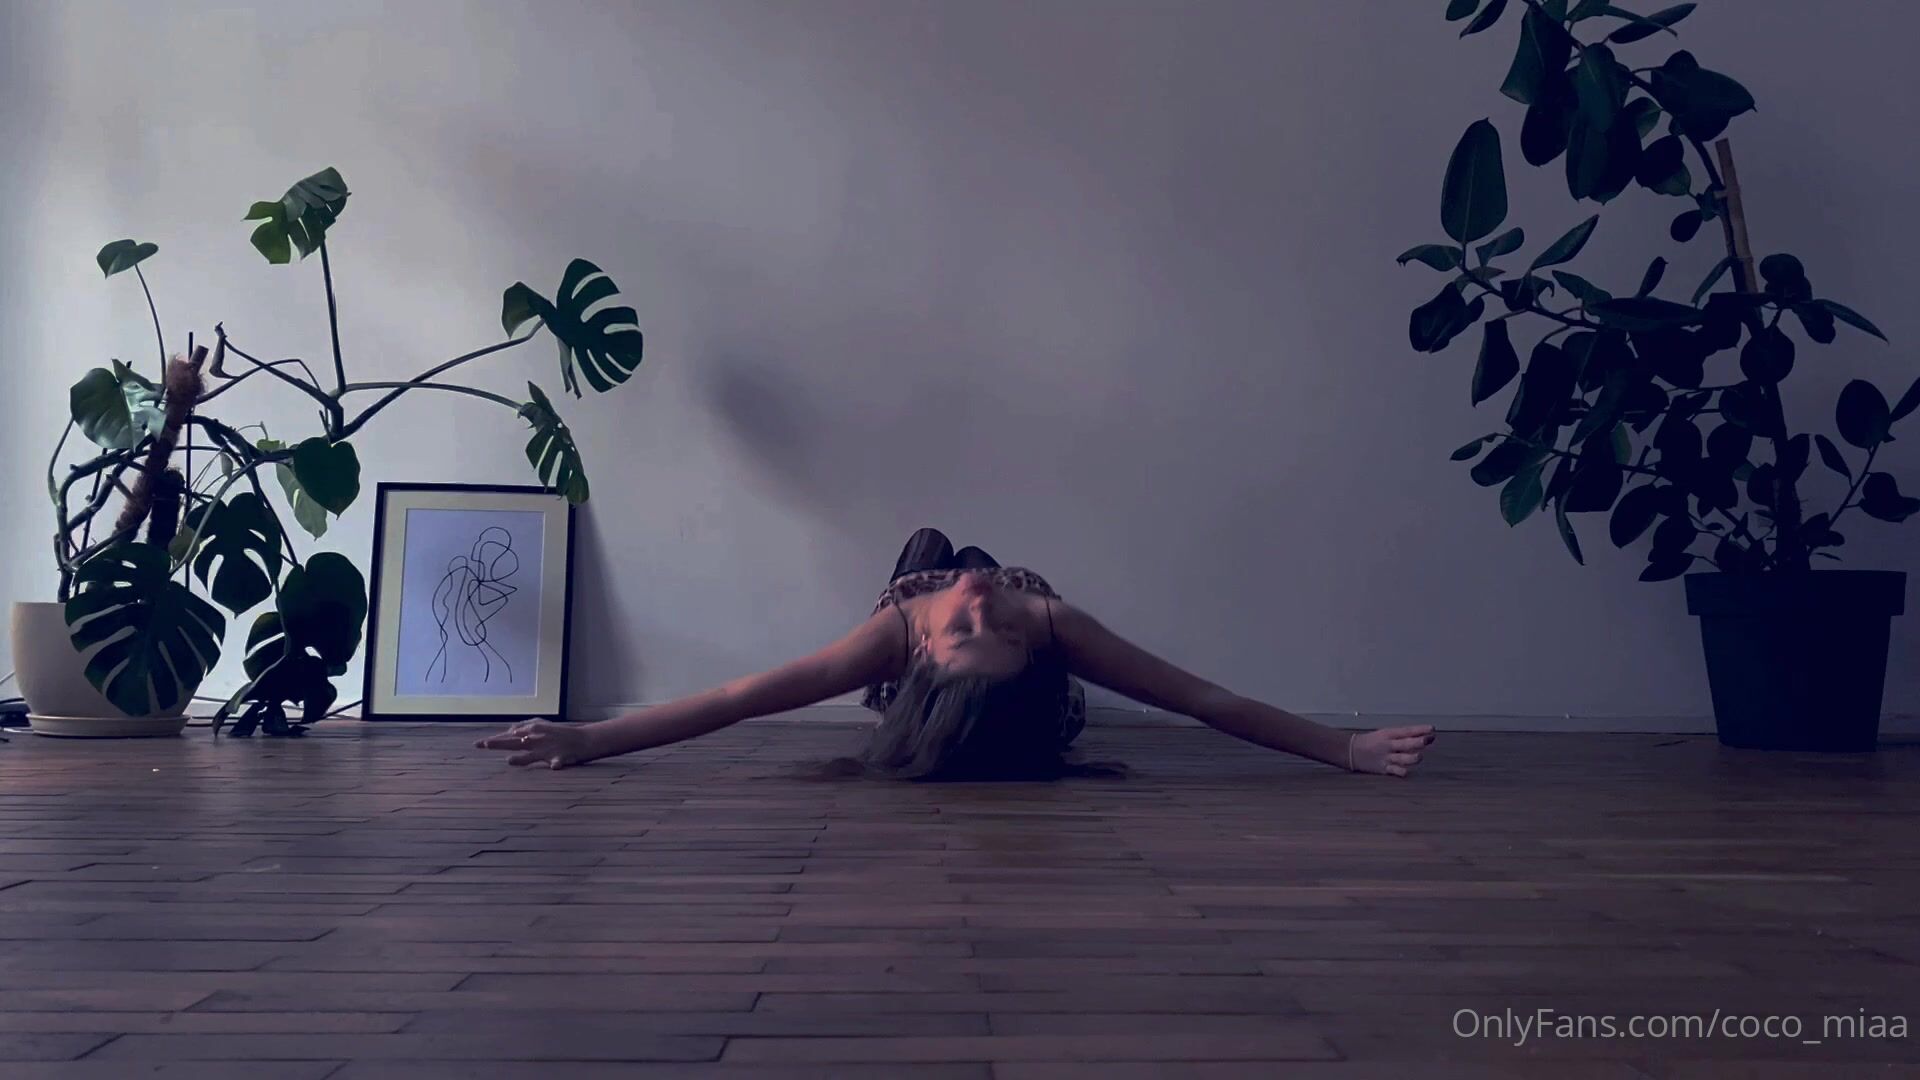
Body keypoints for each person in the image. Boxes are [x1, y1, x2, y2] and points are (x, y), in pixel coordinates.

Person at [478, 527, 1435, 779]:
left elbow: (741, 696)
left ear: (921, 655)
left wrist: (588, 738)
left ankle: (932, 609)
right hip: (1010, 685)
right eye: (1000, 630)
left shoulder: (898, 626)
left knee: (932, 548)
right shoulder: (1047, 619)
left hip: (916, 643)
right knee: (967, 557)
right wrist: (1346, 748)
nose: (981, 607)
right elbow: (1203, 699)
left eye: (970, 629)